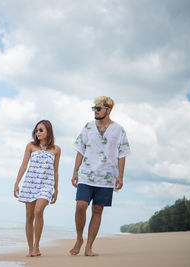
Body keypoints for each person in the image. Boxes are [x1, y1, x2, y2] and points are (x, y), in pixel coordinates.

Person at [69, 96, 130, 257]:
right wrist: (75, 172)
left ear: (108, 110)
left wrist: (120, 176)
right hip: (86, 175)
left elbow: (122, 154)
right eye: (94, 108)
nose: (95, 111)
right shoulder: (87, 127)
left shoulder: (119, 130)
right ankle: (78, 239)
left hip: (107, 176)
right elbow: (80, 150)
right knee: (81, 206)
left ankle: (89, 247)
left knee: (97, 210)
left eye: (98, 108)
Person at [14, 120, 61, 257]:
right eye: (36, 130)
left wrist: (56, 189)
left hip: (46, 185)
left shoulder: (56, 149)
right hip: (30, 183)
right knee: (29, 216)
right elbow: (23, 165)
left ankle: (36, 246)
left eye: (41, 130)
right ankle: (30, 249)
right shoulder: (31, 146)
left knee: (38, 210)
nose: (38, 133)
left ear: (48, 131)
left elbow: (56, 170)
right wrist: (17, 183)